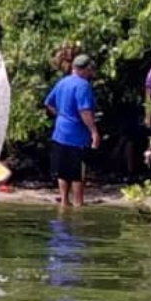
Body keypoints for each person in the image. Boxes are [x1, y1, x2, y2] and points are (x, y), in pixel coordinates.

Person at [44, 54, 100, 206]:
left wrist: (62, 116)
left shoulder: (62, 82)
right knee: (77, 174)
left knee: (62, 171)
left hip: (59, 134)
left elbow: (49, 103)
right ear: (85, 69)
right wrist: (94, 132)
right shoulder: (83, 85)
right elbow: (85, 111)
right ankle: (78, 205)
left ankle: (63, 202)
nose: (91, 73)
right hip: (77, 137)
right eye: (90, 69)